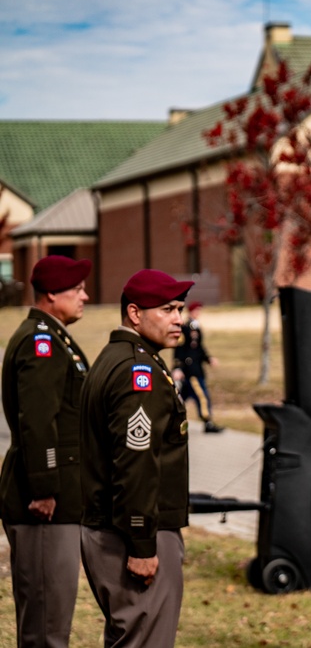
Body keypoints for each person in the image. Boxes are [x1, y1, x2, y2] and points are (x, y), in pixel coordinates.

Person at [79, 269, 194, 647]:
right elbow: (136, 462)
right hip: (134, 535)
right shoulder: (137, 371)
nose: (178, 318)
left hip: (116, 529)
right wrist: (142, 544)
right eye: (166, 309)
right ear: (134, 314)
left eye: (180, 308)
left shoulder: (118, 357)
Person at [0, 255, 91, 648]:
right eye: (77, 290)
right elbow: (38, 422)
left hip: (56, 498)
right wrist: (44, 487)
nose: (85, 296)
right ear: (52, 294)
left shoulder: (52, 337)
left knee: (54, 618)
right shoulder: (41, 343)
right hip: (43, 503)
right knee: (44, 627)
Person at [171, 301, 223, 433]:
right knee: (202, 395)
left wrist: (208, 359)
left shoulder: (196, 328)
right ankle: (208, 422)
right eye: (196, 310)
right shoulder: (185, 328)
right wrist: (178, 367)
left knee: (182, 397)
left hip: (197, 368)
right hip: (190, 370)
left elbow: (199, 348)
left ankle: (171, 420)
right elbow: (180, 349)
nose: (198, 313)